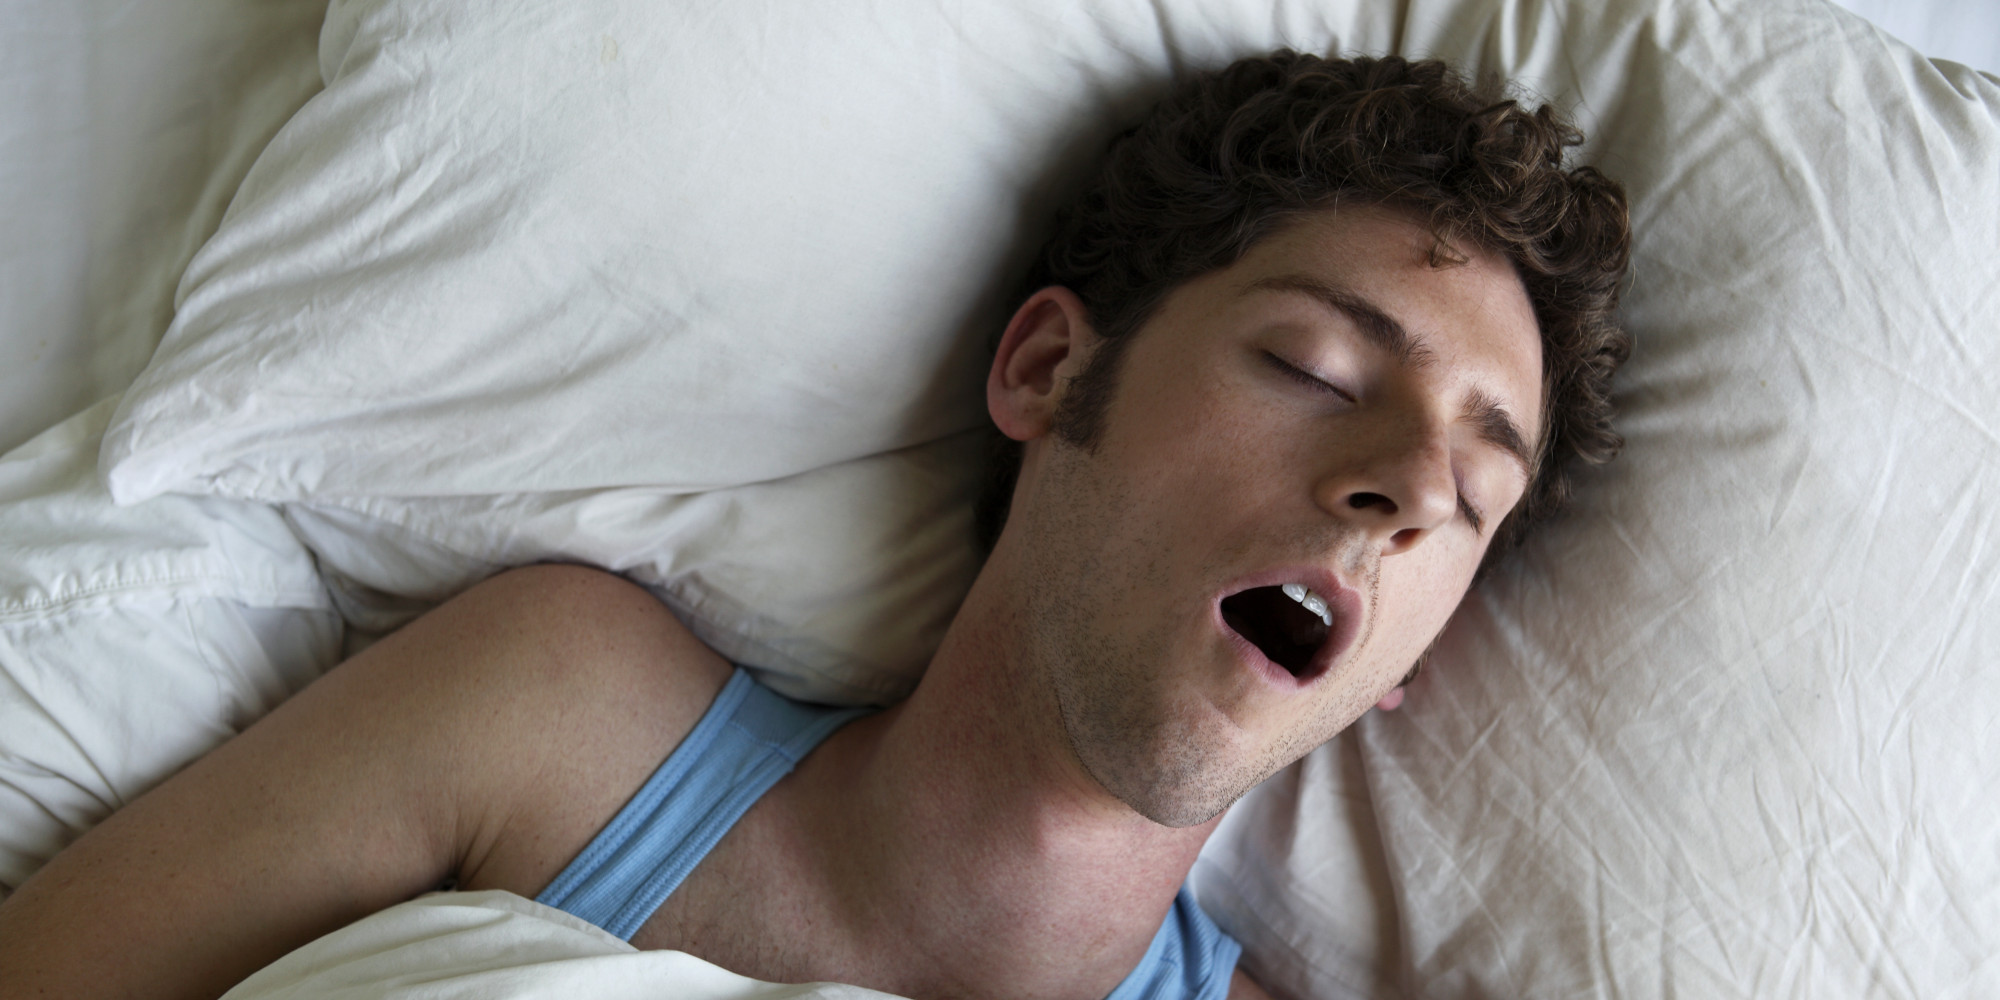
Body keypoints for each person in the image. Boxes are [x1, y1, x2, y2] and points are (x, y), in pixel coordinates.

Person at [0, 51, 1630, 999]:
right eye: (1315, 364)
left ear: (1413, 662)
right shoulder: (557, 715)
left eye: (1474, 497)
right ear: (1051, 369)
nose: (1413, 488)